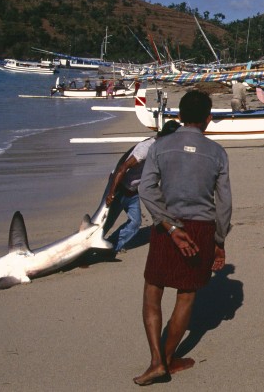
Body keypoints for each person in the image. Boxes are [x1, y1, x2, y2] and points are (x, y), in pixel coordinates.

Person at [135, 90, 232, 386]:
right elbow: (224, 204)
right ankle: (166, 359)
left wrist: (171, 227)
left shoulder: (160, 146)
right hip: (202, 227)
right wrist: (219, 241)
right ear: (208, 119)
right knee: (186, 295)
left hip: (167, 226)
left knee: (153, 290)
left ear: (178, 117)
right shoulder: (217, 152)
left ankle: (156, 362)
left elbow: (146, 189)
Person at [103, 120, 181, 253]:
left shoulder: (161, 149)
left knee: (135, 223)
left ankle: (111, 246)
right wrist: (111, 192)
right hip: (119, 188)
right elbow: (123, 168)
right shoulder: (147, 148)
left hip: (132, 190)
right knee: (105, 223)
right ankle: (85, 249)